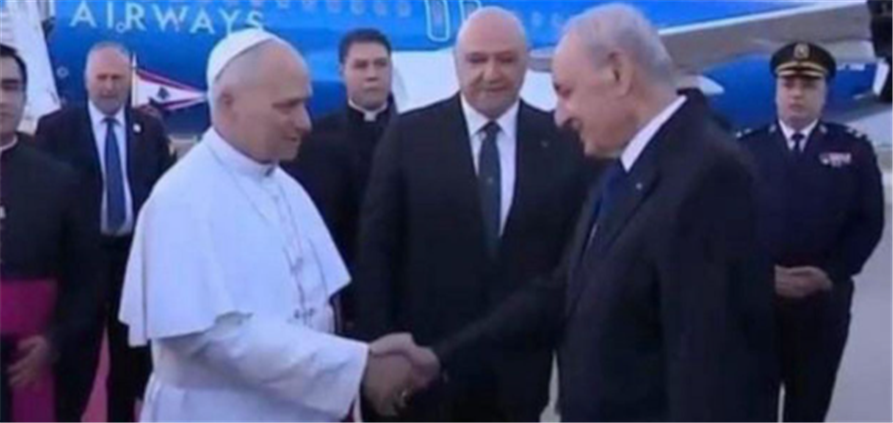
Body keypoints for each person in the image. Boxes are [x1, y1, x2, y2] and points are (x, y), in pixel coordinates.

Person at [381, 5, 779, 422]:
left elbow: (715, 374)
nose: (560, 116)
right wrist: (438, 356)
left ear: (618, 74)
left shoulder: (708, 177)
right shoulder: (625, 172)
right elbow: (561, 291)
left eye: (566, 92)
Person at [118, 28, 430, 423]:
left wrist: (362, 354)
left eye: (305, 104)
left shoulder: (287, 187)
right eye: (288, 106)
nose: (305, 122)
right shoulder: (180, 198)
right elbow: (215, 338)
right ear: (228, 103)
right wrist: (358, 363)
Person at [354, 7, 592, 423]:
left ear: (527, 62)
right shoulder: (410, 137)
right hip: (423, 375)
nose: (491, 73)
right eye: (477, 60)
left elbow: (570, 267)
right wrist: (382, 355)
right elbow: (376, 252)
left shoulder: (562, 143)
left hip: (519, 378)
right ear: (456, 63)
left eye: (506, 59)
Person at [738, 42, 885, 423]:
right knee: (752, 407)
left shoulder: (852, 149)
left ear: (824, 92)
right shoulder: (746, 150)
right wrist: (761, 274)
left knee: (809, 408)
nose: (797, 94)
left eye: (808, 85)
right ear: (776, 91)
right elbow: (727, 225)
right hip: (759, 302)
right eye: (788, 84)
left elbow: (868, 221)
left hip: (822, 304)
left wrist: (829, 273)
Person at [34, 41, 175, 423]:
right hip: (79, 263)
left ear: (130, 80)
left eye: (117, 78)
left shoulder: (149, 130)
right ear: (86, 80)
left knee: (129, 362)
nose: (109, 86)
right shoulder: (56, 129)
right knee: (76, 359)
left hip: (132, 261)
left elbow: (163, 195)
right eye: (102, 78)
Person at [0, 43, 103, 423]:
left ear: (24, 96)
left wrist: (53, 340)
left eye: (11, 86)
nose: (2, 99)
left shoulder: (61, 181)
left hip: (31, 360)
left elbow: (87, 278)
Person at [282, 28, 397, 334]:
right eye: (361, 66)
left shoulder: (419, 135)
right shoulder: (313, 139)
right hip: (337, 293)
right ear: (341, 71)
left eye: (380, 64)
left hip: (402, 290)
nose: (372, 74)